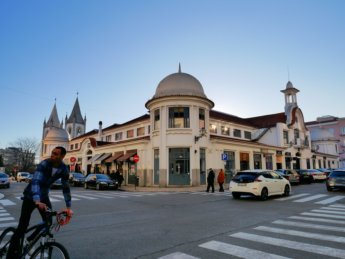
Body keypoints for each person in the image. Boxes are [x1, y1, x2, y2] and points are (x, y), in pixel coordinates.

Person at [7, 146, 73, 259]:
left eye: (56, 154)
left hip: (43, 196)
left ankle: (29, 240)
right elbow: (36, 181)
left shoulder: (63, 169)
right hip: (30, 196)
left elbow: (66, 187)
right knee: (22, 226)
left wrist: (68, 207)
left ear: (62, 156)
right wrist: (36, 200)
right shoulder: (44, 164)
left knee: (48, 222)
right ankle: (10, 254)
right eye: (52, 152)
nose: (53, 155)